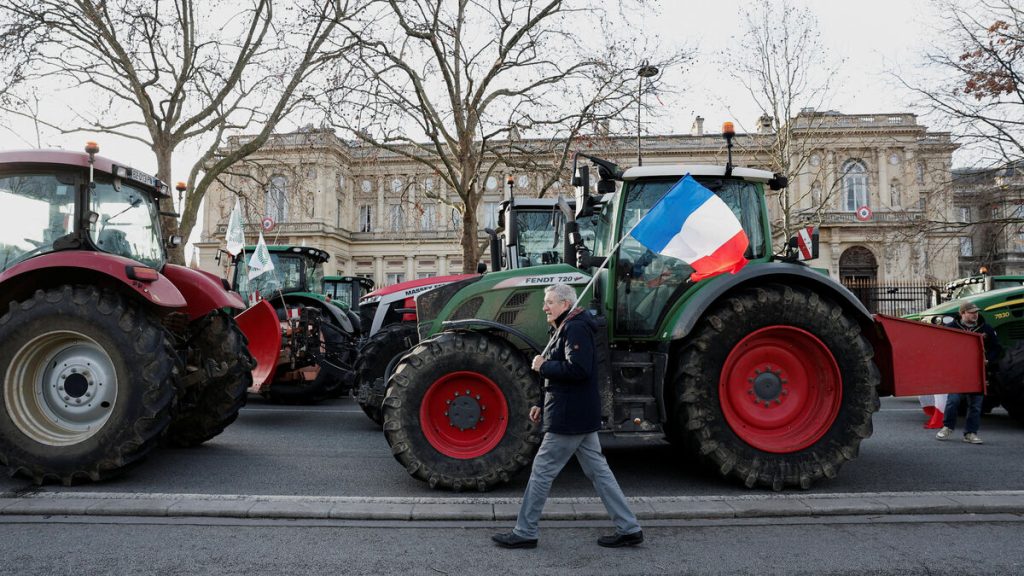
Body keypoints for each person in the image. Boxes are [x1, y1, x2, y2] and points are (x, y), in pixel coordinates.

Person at [492, 283, 643, 549]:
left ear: (565, 304)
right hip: (577, 412)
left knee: (541, 472)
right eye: (545, 302)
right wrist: (541, 401)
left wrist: (544, 365)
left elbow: (579, 370)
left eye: (549, 302)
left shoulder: (575, 328)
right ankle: (628, 527)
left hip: (569, 416)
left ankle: (525, 531)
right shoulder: (567, 327)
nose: (544, 307)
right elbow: (565, 375)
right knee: (599, 472)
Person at [936, 301, 1001, 444]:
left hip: (978, 372)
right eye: (971, 312)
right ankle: (947, 427)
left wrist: (988, 360)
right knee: (953, 401)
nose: (975, 315)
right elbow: (943, 347)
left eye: (976, 312)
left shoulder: (986, 329)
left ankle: (970, 433)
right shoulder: (951, 328)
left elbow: (996, 348)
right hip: (957, 372)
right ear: (962, 314)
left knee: (976, 405)